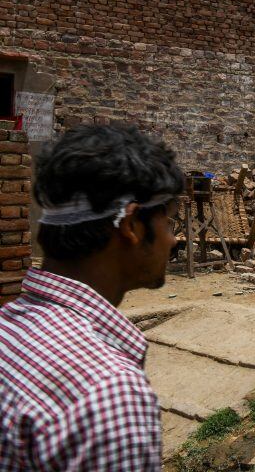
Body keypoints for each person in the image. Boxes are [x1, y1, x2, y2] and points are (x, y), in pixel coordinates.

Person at [0, 124, 184, 471]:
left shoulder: (9, 328)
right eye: (169, 221)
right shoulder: (108, 394)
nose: (173, 240)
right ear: (131, 225)